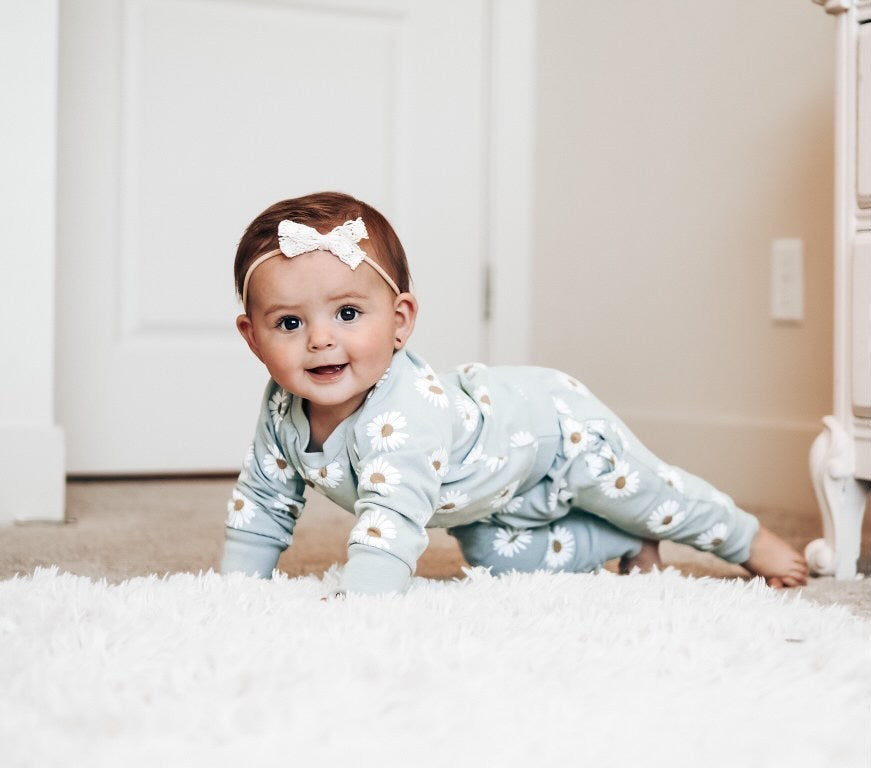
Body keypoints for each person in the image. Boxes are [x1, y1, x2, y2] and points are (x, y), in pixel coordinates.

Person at [221, 191, 809, 595]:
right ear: (252, 338)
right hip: (483, 494)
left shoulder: (402, 414)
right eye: (290, 324)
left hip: (553, 431)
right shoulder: (281, 408)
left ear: (401, 320)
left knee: (650, 493)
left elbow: (391, 522)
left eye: (348, 312)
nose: (320, 340)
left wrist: (363, 600)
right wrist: (237, 592)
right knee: (498, 562)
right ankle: (622, 540)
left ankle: (746, 538)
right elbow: (264, 500)